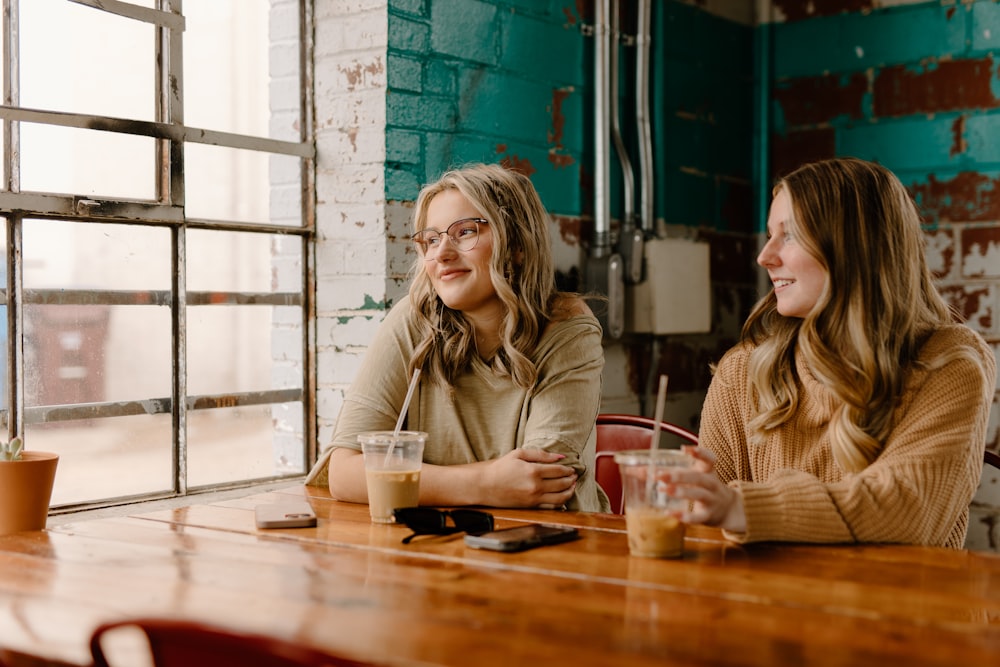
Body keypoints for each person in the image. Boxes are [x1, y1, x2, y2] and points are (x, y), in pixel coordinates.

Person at [668, 157, 996, 548]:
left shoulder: (951, 363)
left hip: (903, 605)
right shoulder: (742, 369)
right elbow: (707, 533)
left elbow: (907, 511)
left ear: (854, 247)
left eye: (788, 236)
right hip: (770, 604)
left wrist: (742, 506)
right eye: (770, 234)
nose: (765, 256)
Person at [305, 163, 610, 512]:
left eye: (465, 232)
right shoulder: (412, 321)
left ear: (517, 245)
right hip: (434, 548)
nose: (441, 254)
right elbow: (343, 473)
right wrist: (486, 483)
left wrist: (411, 479)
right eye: (432, 239)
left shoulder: (566, 329)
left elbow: (538, 485)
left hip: (552, 548)